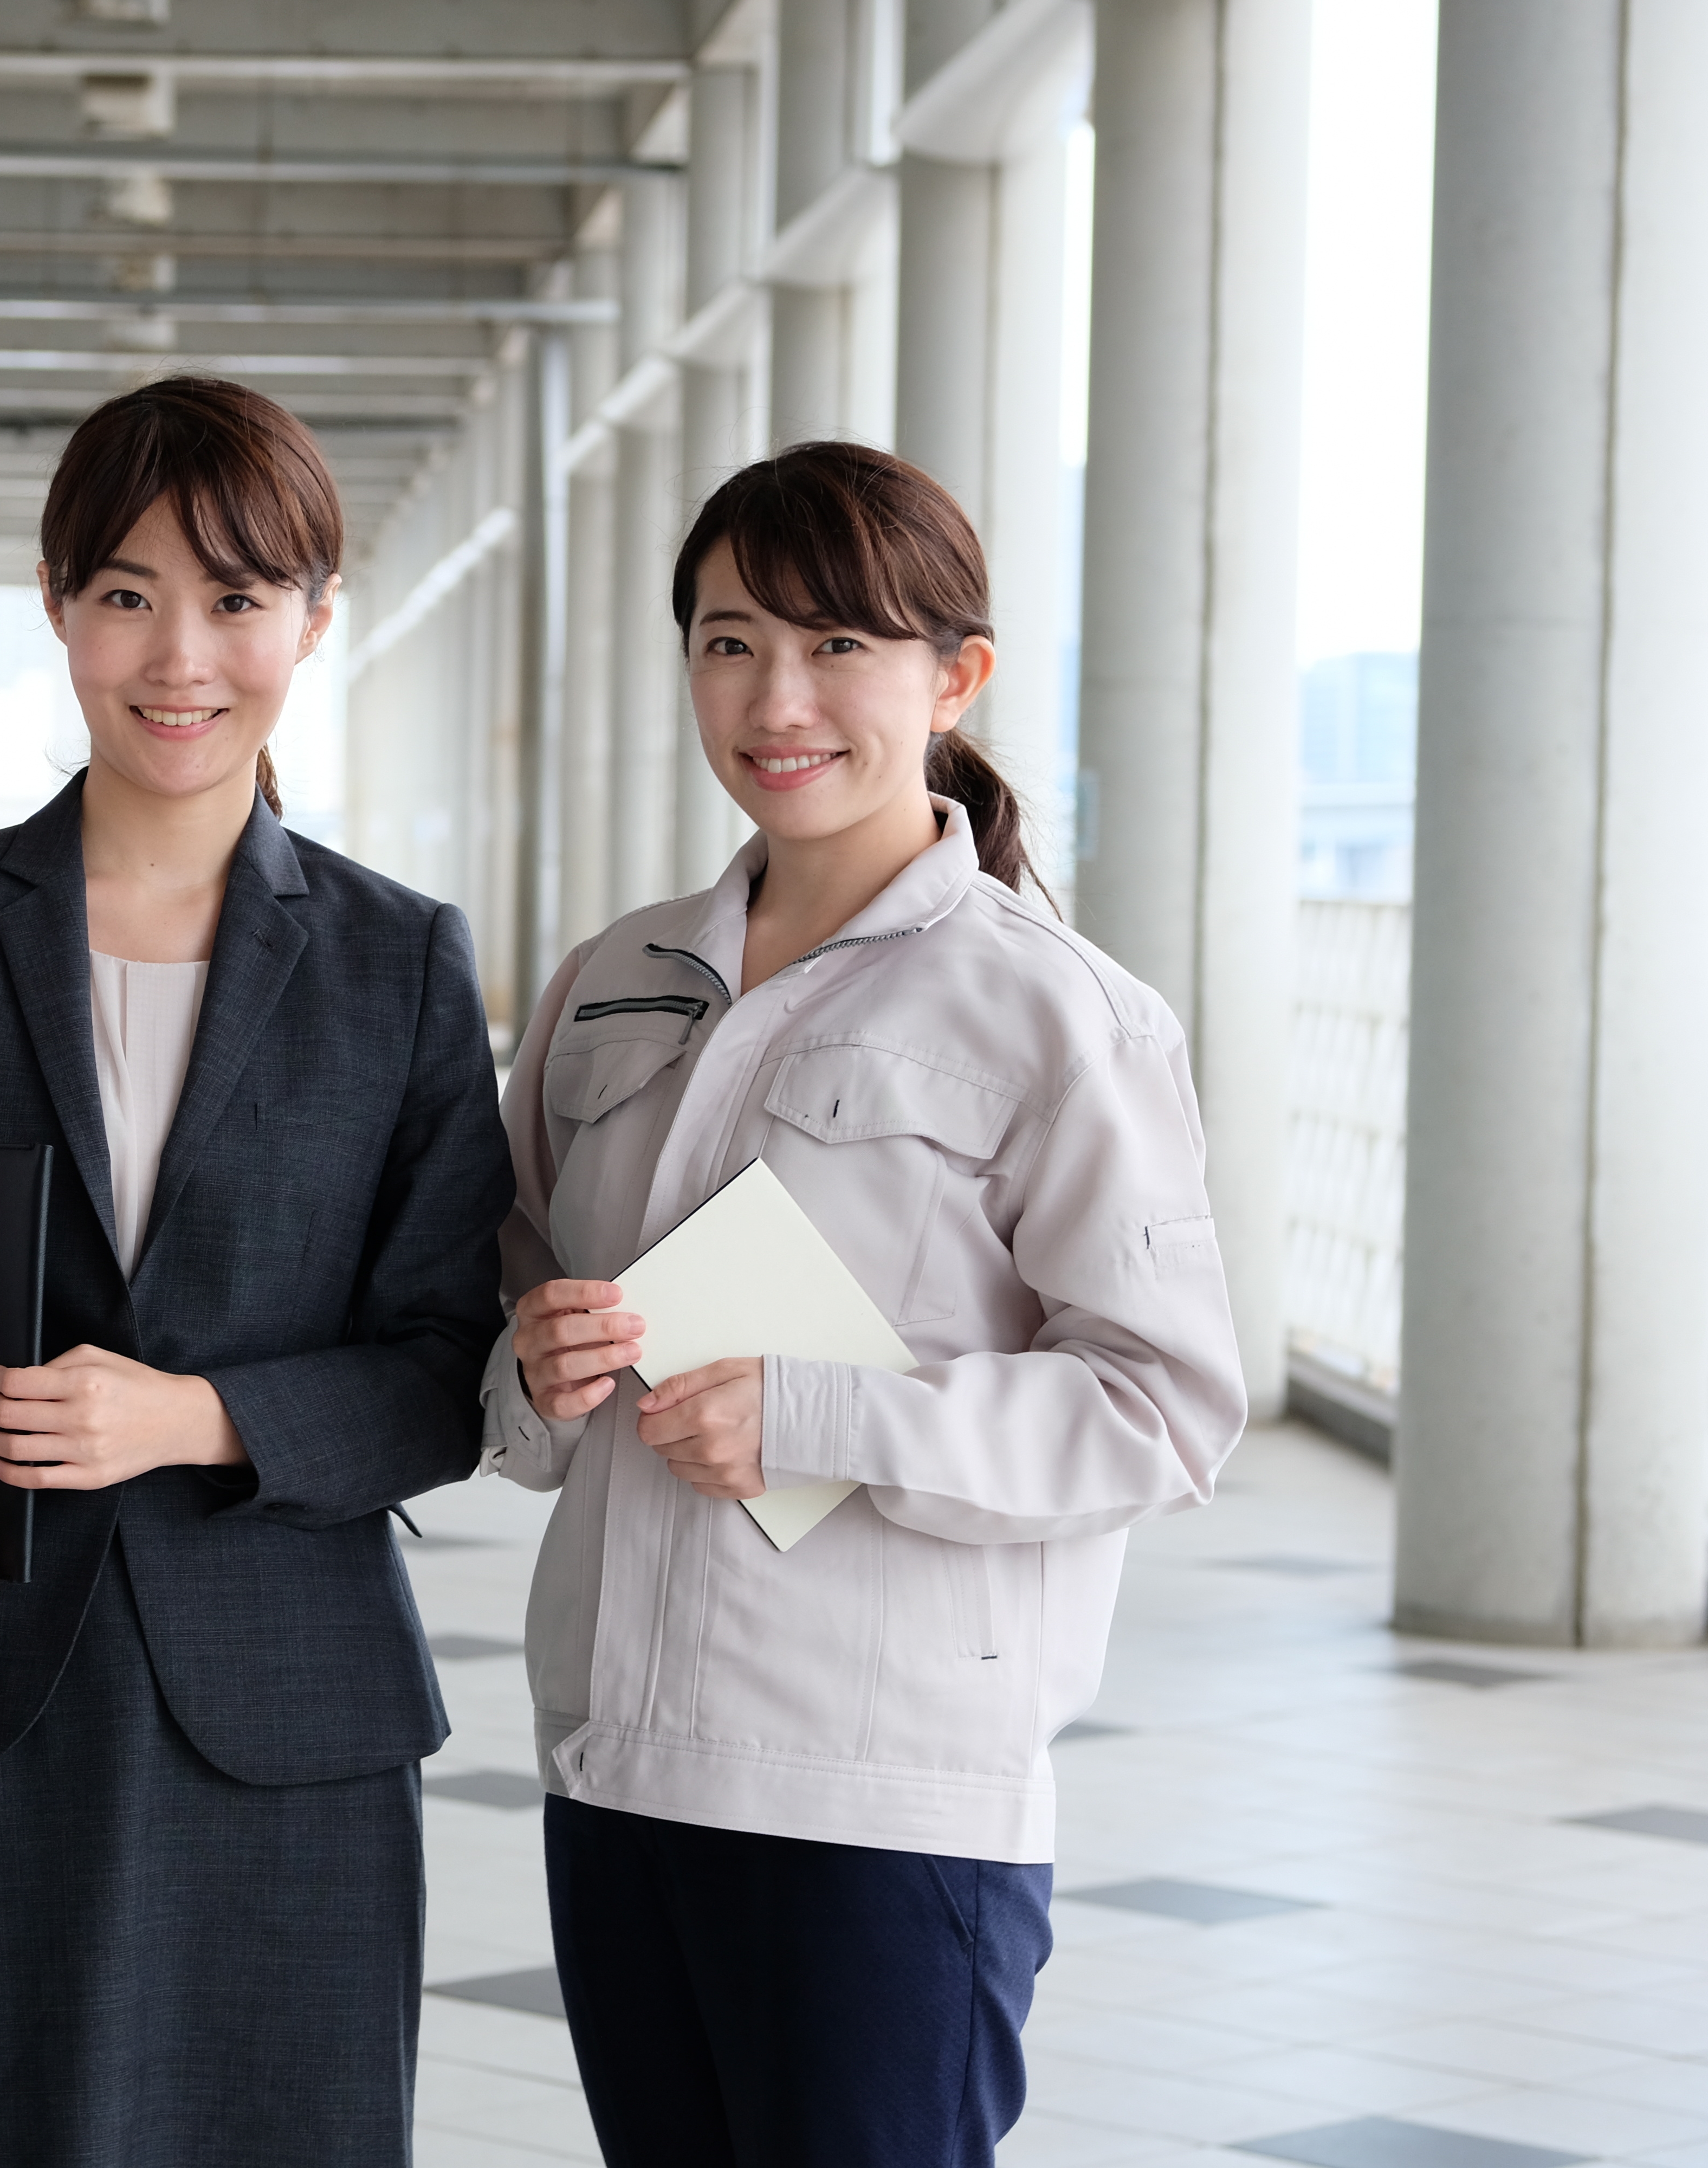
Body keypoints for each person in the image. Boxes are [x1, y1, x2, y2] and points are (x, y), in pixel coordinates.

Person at [0, 376, 515, 2168]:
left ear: (315, 622)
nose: (181, 656)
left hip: (288, 1717)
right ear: (56, 604)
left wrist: (191, 1415)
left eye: (239, 602)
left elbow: (438, 1372)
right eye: (125, 597)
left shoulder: (400, 964)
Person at [487, 442, 1246, 2166]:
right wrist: (533, 1367)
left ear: (953, 674)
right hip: (616, 1772)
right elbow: (516, 1297)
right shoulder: (611, 983)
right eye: (731, 640)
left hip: (881, 1804)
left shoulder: (1060, 1016)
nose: (779, 697)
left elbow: (1167, 1406)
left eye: (840, 645)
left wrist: (816, 1415)